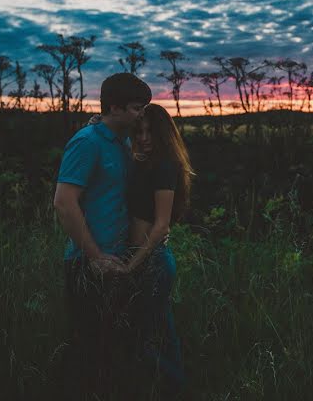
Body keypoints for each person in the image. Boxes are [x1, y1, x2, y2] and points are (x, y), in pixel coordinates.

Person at [53, 72, 151, 399]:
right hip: (89, 265)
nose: (142, 114)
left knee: (115, 353)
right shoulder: (87, 142)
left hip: (119, 263)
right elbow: (64, 203)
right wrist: (95, 257)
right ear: (116, 107)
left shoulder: (124, 142)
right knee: (88, 352)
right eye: (138, 108)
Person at [125, 103, 193, 398]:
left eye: (150, 131)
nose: (143, 137)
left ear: (163, 133)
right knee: (154, 335)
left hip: (151, 262)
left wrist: (131, 265)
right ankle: (168, 390)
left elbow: (162, 226)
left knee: (154, 340)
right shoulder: (146, 163)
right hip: (144, 262)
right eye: (138, 131)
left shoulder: (165, 166)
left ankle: (173, 391)